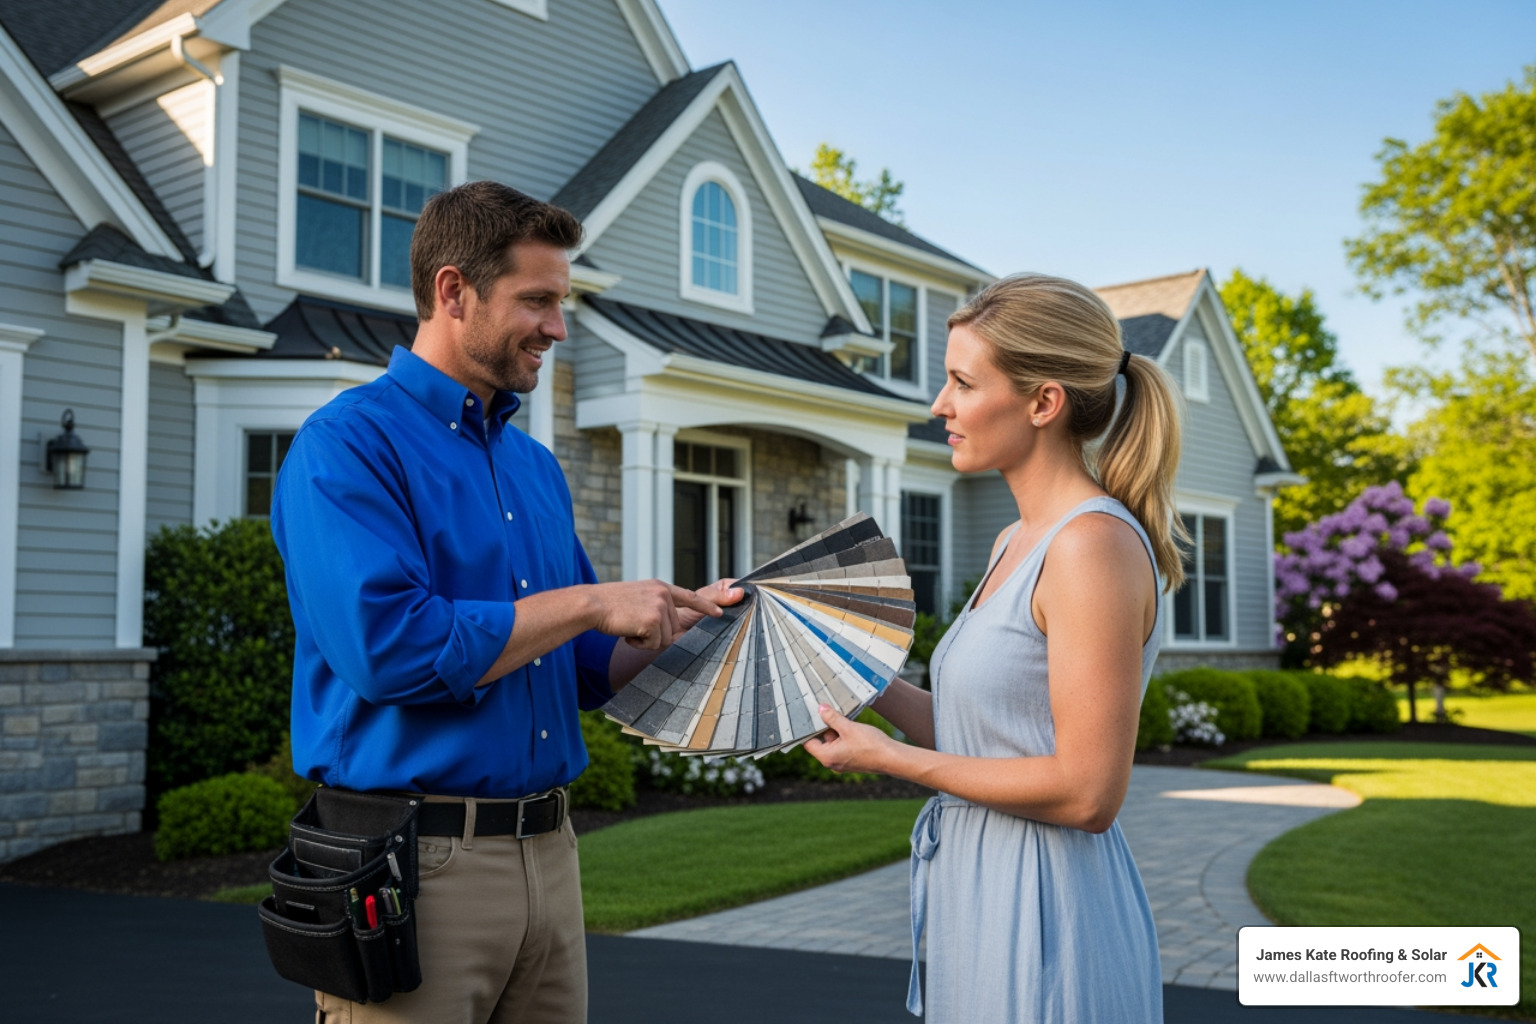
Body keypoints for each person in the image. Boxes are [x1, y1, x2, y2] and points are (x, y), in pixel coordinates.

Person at [271, 180, 740, 1024]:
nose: (558, 328)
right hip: (417, 867)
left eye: (561, 302)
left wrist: (695, 623)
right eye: (538, 301)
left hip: (553, 861)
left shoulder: (533, 467)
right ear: (454, 291)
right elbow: (392, 649)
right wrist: (593, 603)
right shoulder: (347, 446)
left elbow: (590, 668)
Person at [806, 274, 1184, 1022]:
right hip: (976, 891)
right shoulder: (1018, 538)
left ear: (1043, 402)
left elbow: (1088, 794)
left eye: (961, 383)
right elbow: (985, 734)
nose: (939, 406)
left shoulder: (1091, 548)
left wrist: (887, 759)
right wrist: (854, 674)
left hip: (1048, 905)